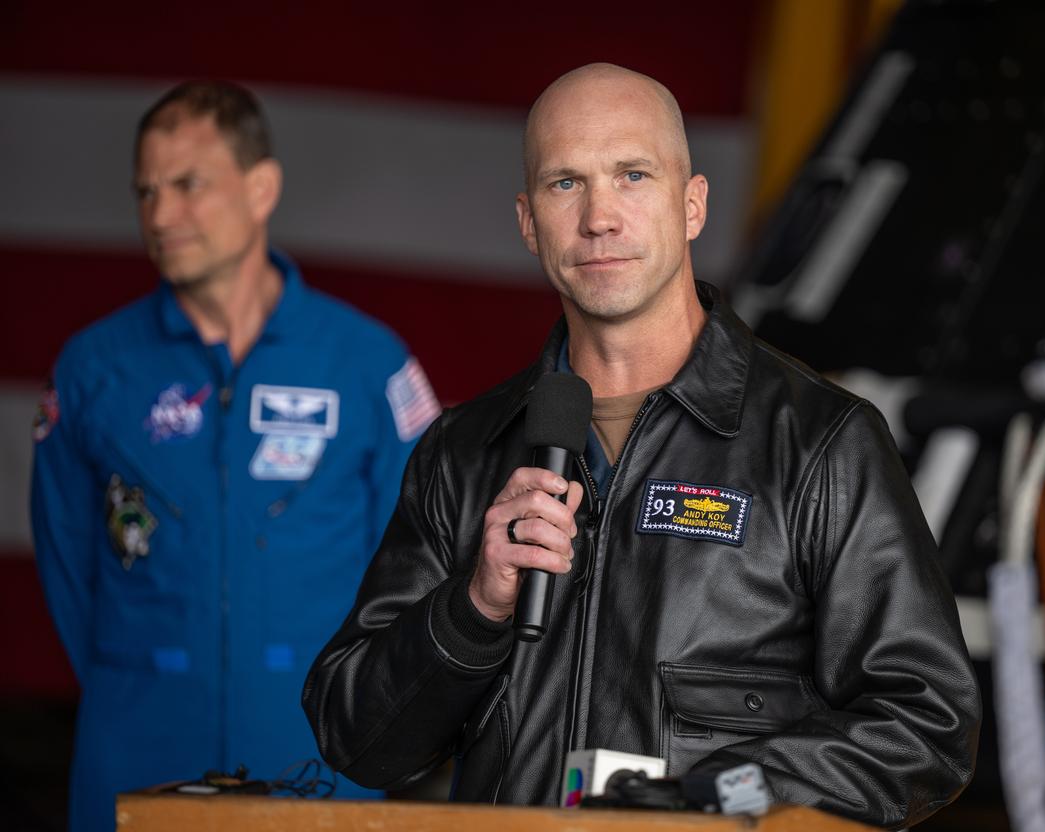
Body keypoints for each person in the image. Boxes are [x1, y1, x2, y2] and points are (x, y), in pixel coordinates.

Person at [303, 63, 979, 828]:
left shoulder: (821, 442)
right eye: (566, 184)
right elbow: (354, 738)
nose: (598, 217)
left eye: (632, 175)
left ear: (691, 205)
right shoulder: (463, 451)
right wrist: (473, 609)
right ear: (529, 222)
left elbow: (927, 726)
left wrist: (711, 797)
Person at [30, 81, 441, 832]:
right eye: (146, 191)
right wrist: (143, 678)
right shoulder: (93, 368)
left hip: (321, 748)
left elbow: (419, 557)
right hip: (137, 743)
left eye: (188, 185)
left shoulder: (365, 362)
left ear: (261, 189)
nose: (160, 215)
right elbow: (66, 563)